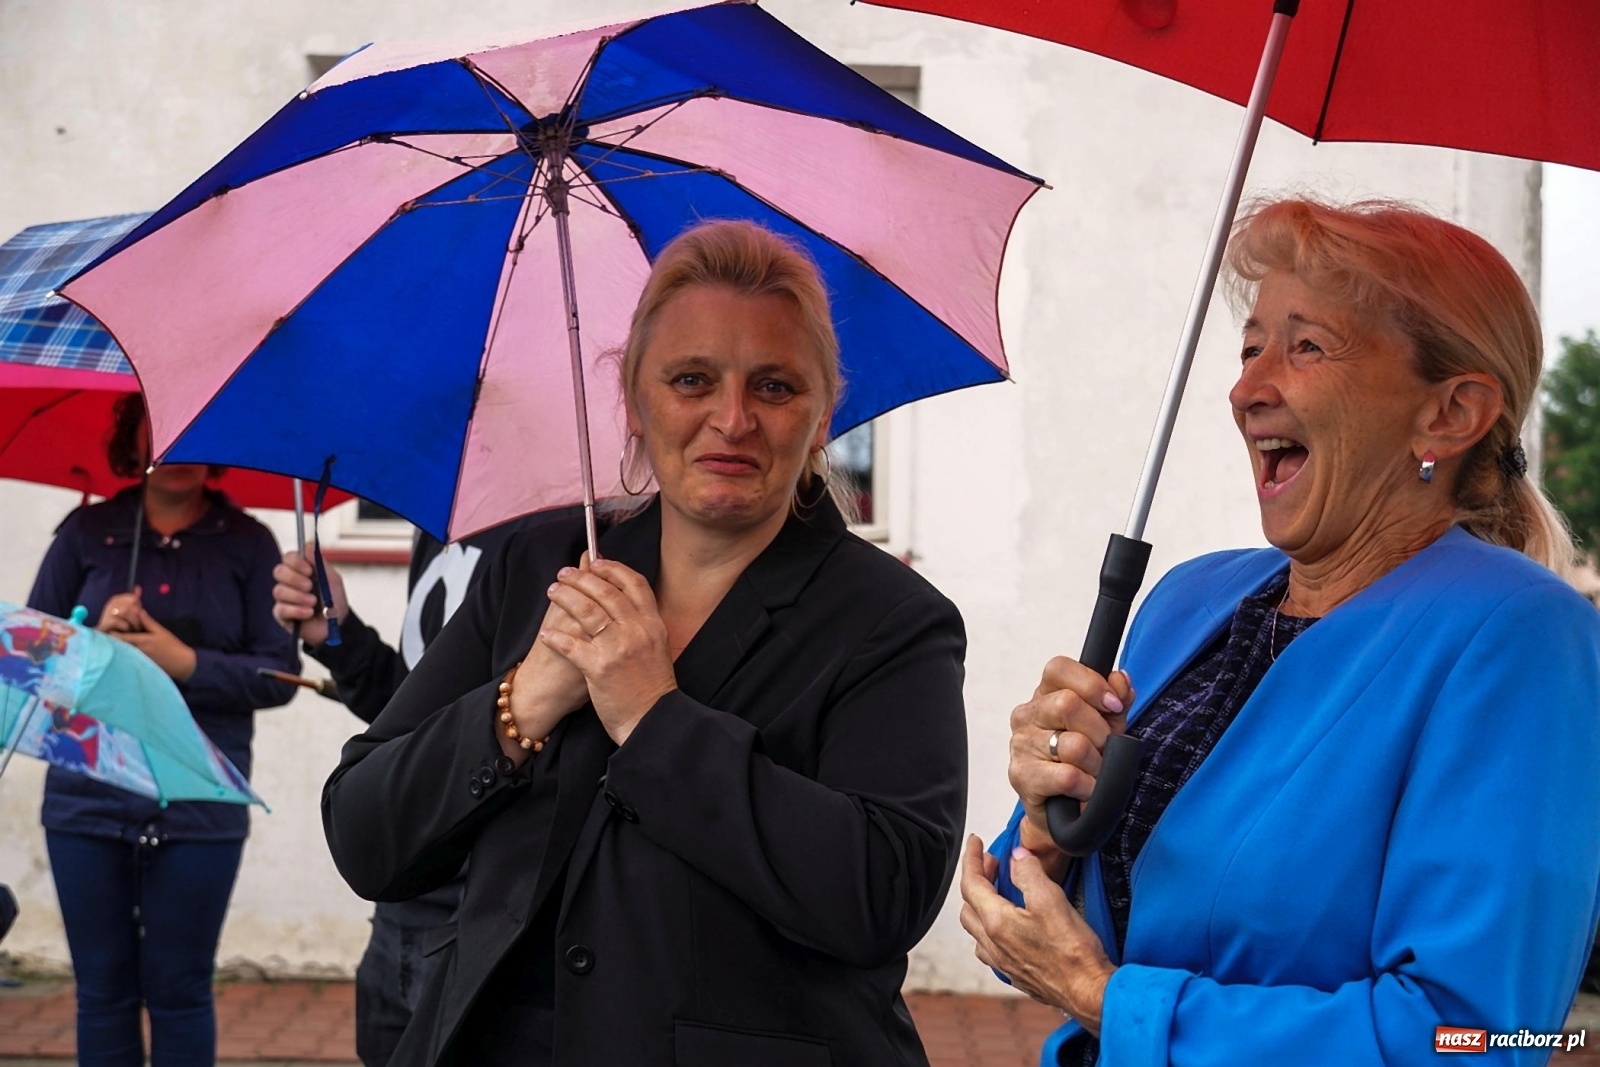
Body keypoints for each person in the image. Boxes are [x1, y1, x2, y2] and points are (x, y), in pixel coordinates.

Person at [960, 198, 1600, 1066]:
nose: (1247, 387)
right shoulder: (1188, 599)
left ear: (1449, 415)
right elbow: (1041, 930)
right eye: (1250, 344)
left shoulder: (1520, 639)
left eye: (1305, 346)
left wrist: (1107, 1000)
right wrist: (1042, 823)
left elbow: (1471, 1038)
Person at [321, 219, 969, 1066]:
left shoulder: (890, 620)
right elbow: (367, 832)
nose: (731, 418)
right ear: (632, 400)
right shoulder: (536, 563)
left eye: (774, 386)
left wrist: (657, 720)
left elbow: (884, 892)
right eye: (691, 379)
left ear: (821, 419)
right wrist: (525, 703)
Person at [28, 392, 298, 1067]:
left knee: (179, 989)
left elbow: (280, 675)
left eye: (199, 425)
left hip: (200, 798)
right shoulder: (86, 534)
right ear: (136, 434)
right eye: (165, 423)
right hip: (87, 801)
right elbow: (32, 660)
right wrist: (93, 638)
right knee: (103, 992)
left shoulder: (249, 544)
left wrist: (186, 662)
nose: (180, 445)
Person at [270, 508, 575, 1067]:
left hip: (487, 922)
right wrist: (337, 635)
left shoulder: (573, 528)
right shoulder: (450, 512)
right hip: (401, 901)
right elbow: (416, 715)